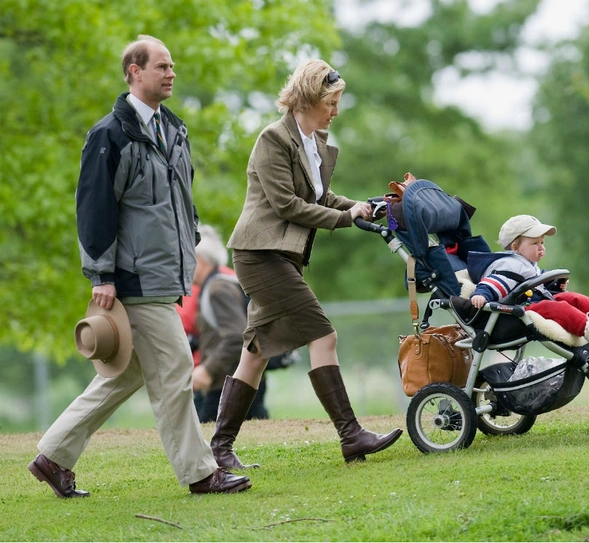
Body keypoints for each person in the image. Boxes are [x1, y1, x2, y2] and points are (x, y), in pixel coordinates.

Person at [27, 35, 250, 498]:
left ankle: (53, 456)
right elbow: (93, 209)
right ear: (133, 71)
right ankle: (200, 472)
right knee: (175, 372)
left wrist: (189, 246)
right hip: (134, 279)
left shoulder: (175, 129)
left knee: (125, 375)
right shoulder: (110, 134)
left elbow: (181, 204)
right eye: (162, 67)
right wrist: (102, 276)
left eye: (172, 67)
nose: (171, 74)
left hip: (165, 275)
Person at [210, 59, 403, 468]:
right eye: (331, 102)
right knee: (323, 335)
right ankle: (351, 435)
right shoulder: (273, 139)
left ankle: (219, 449)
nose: (336, 111)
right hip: (259, 255)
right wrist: (343, 219)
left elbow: (321, 197)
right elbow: (287, 204)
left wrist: (364, 206)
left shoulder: (313, 141)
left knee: (256, 353)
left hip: (283, 256)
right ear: (310, 98)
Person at [190, 224, 298, 423]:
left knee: (214, 443)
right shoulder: (220, 284)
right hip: (240, 381)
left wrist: (207, 370)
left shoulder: (217, 290)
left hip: (227, 384)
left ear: (200, 260)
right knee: (255, 436)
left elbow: (235, 337)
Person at [468, 215, 589, 343]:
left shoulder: (527, 264)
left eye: (542, 242)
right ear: (515, 247)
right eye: (535, 243)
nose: (541, 247)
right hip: (518, 312)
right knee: (556, 307)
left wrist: (554, 284)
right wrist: (482, 294)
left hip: (533, 302)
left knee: (568, 297)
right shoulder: (509, 264)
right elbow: (494, 282)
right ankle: (586, 328)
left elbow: (537, 282)